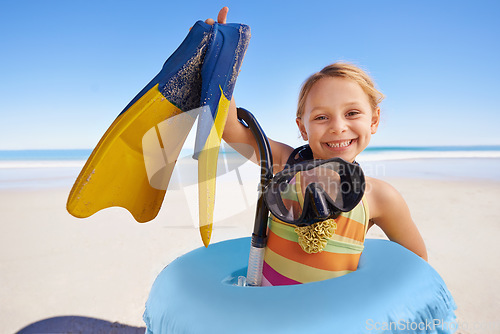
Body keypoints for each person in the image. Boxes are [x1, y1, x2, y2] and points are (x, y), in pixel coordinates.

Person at [206, 7, 427, 285]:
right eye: (321, 117)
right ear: (302, 128)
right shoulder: (286, 164)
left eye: (352, 113)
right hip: (268, 312)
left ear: (374, 120)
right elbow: (230, 129)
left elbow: (417, 266)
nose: (337, 127)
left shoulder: (380, 198)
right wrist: (220, 60)